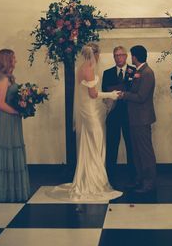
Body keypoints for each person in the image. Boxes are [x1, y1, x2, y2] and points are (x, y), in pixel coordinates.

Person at [50, 43, 122, 202]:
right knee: (96, 144)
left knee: (89, 143)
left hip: (90, 110)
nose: (99, 57)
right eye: (99, 54)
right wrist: (111, 94)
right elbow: (93, 94)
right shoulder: (88, 69)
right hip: (90, 113)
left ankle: (88, 177)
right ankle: (93, 182)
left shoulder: (82, 67)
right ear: (94, 54)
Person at [0, 49, 30, 202]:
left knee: (13, 149)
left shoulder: (9, 78)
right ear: (7, 60)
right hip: (6, 119)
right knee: (7, 149)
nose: (16, 61)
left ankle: (11, 190)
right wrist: (16, 112)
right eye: (14, 58)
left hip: (11, 119)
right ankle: (6, 192)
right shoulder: (2, 79)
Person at [121, 45, 157, 194]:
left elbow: (141, 97)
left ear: (135, 57)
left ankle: (149, 182)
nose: (131, 58)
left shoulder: (147, 73)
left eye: (131, 55)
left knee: (145, 152)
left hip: (142, 118)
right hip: (134, 118)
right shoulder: (138, 71)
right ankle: (140, 179)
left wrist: (125, 95)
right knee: (136, 152)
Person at [102, 46, 136, 186]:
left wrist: (120, 91)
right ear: (113, 57)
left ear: (126, 56)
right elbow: (104, 92)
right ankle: (110, 176)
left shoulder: (133, 71)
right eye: (116, 55)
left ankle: (133, 175)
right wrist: (113, 94)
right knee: (112, 145)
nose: (119, 57)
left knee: (131, 145)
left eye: (121, 55)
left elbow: (134, 90)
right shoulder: (107, 72)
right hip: (113, 114)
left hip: (130, 113)